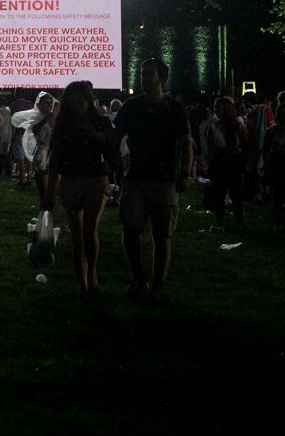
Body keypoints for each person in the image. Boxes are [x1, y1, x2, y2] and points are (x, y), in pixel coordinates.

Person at [115, 58, 192, 302]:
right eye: (142, 74)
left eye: (149, 74)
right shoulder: (131, 106)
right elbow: (115, 136)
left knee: (162, 235)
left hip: (164, 179)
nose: (144, 78)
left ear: (161, 78)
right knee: (130, 230)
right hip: (136, 178)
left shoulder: (174, 108)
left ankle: (158, 284)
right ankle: (139, 279)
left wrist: (184, 173)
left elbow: (185, 143)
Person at [42, 81, 115, 296]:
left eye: (82, 100)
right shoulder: (64, 124)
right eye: (74, 101)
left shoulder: (100, 121)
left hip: (94, 179)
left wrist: (93, 133)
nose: (78, 104)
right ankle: (83, 282)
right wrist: (50, 194)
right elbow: (55, 160)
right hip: (71, 180)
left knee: (89, 229)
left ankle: (92, 274)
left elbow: (111, 146)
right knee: (76, 234)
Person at [204, 96, 247, 229]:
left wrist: (242, 162)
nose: (215, 109)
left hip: (233, 161)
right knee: (219, 194)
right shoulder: (213, 126)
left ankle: (239, 221)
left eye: (218, 107)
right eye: (215, 107)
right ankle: (220, 221)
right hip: (220, 161)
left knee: (236, 194)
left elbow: (244, 144)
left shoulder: (237, 124)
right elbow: (211, 146)